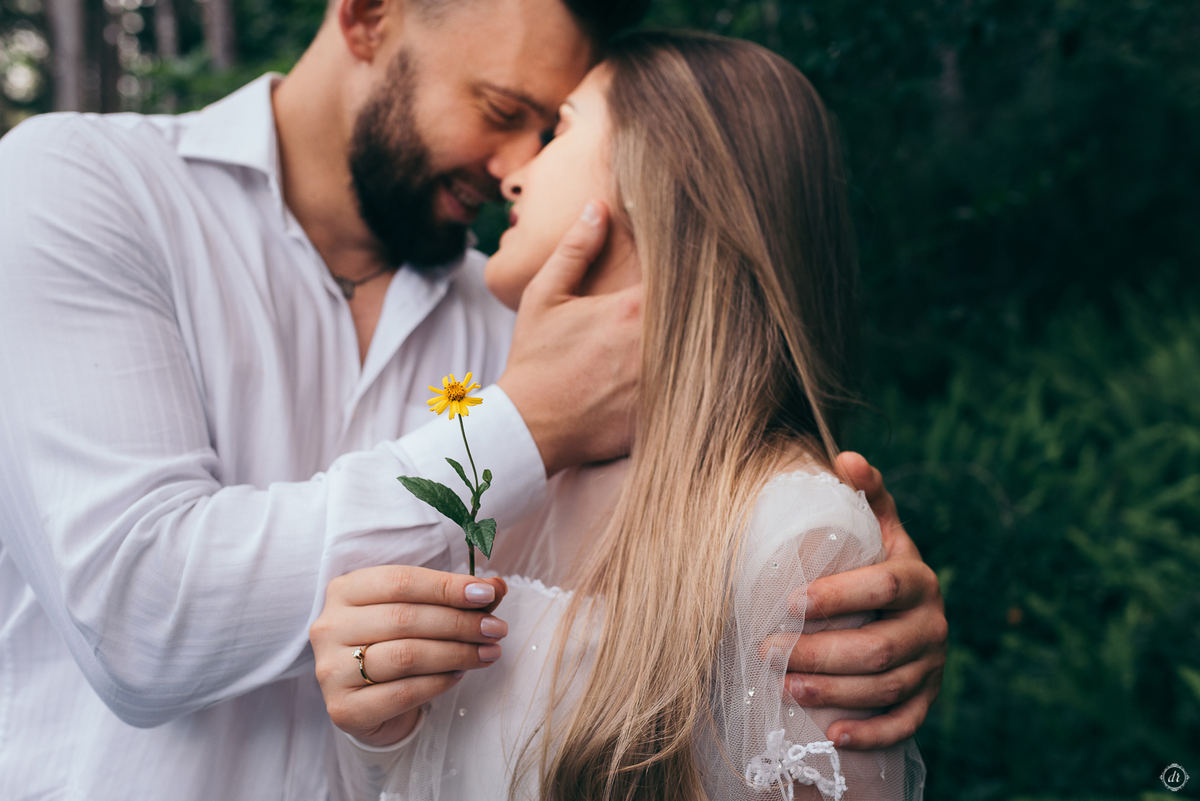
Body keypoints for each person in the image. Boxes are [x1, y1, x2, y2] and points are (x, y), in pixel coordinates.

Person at [0, 0, 942, 799]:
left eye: (551, 129)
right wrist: (523, 423)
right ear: (368, 16)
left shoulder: (528, 320)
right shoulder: (82, 189)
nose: (512, 167)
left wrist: (847, 599)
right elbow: (135, 608)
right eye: (501, 108)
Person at [314, 31, 927, 801]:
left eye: (560, 128)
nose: (513, 176)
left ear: (660, 176)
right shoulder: (504, 492)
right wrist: (382, 728)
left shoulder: (792, 535)